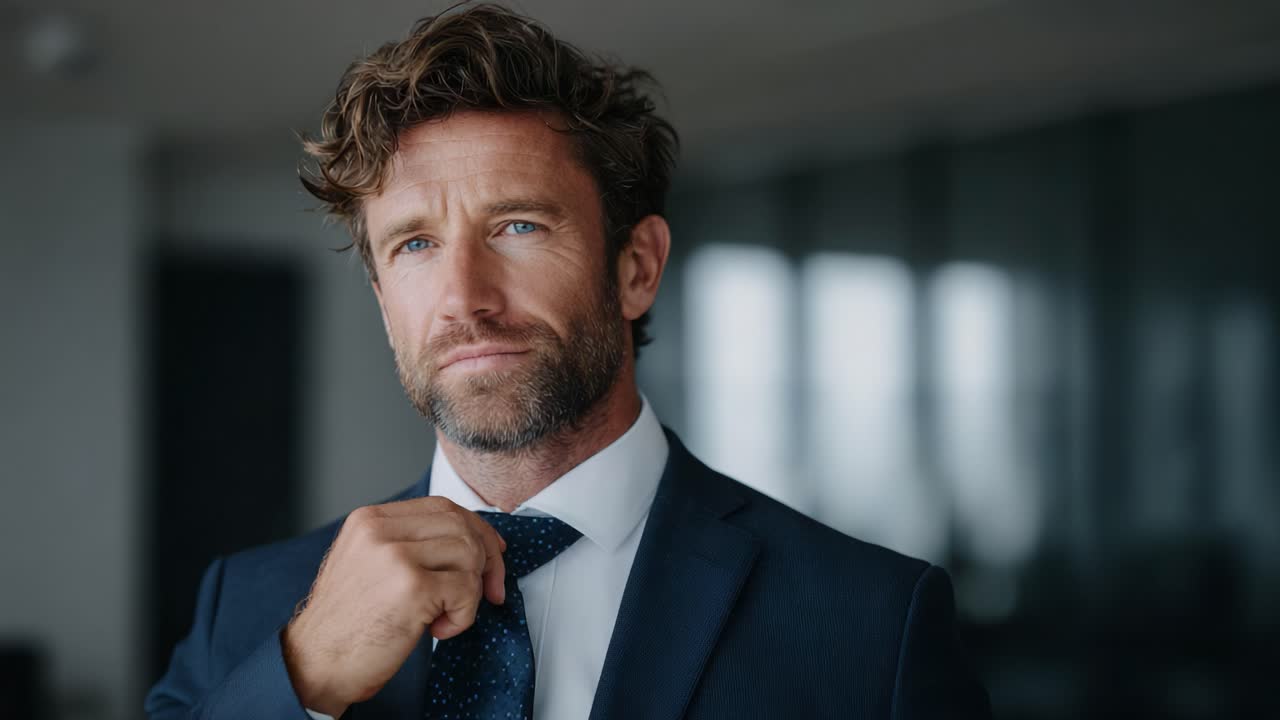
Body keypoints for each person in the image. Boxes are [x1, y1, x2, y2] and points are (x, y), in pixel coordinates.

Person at [146, 4, 991, 719]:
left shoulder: (871, 624)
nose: (462, 298)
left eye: (518, 226)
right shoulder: (251, 611)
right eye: (414, 244)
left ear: (637, 268)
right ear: (381, 300)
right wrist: (306, 678)